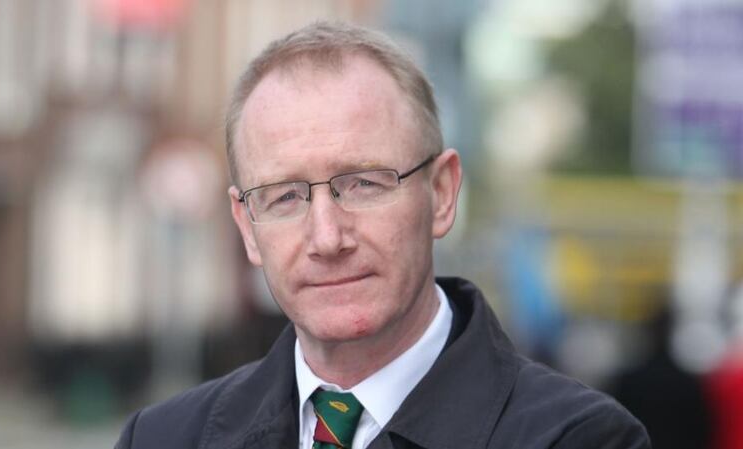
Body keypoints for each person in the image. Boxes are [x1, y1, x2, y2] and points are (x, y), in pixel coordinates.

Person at [115, 21, 650, 449]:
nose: (326, 237)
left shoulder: (581, 438)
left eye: (364, 184)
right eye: (284, 197)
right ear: (247, 229)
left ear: (441, 193)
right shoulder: (161, 438)